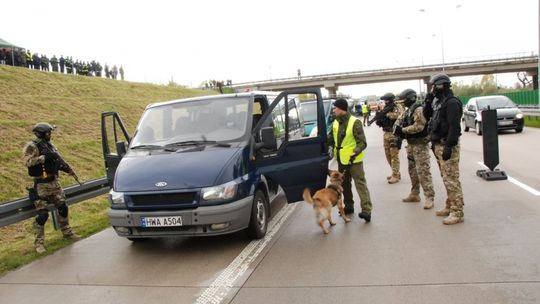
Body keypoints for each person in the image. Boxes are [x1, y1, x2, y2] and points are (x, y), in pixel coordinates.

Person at [22, 122, 80, 253]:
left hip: (54, 182)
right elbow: (27, 162)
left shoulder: (50, 146)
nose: (50, 135)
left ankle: (67, 233)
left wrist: (69, 170)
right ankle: (39, 244)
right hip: (41, 185)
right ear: (41, 134)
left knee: (63, 207)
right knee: (42, 215)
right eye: (48, 133)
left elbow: (58, 160)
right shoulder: (32, 146)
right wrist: (43, 158)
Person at [424, 73, 465, 225]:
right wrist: (428, 103)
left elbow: (454, 127)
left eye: (434, 86)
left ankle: (457, 211)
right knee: (445, 178)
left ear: (441, 85)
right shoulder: (438, 101)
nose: (432, 89)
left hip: (447, 145)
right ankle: (450, 206)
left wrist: (449, 146)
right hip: (438, 144)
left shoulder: (452, 102)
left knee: (451, 179)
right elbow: (428, 116)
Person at [328, 98, 373, 222]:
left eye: (334, 108)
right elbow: (330, 140)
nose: (333, 110)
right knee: (345, 185)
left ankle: (366, 211)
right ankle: (349, 206)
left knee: (360, 184)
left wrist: (356, 151)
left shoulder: (355, 122)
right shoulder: (335, 123)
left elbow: (362, 142)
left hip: (354, 160)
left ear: (341, 108)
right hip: (342, 160)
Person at [394, 89, 435, 209]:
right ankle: (415, 193)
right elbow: (399, 122)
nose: (402, 103)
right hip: (411, 144)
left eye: (404, 100)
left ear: (410, 98)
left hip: (420, 145)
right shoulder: (409, 111)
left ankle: (429, 197)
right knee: (412, 171)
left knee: (423, 172)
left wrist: (403, 130)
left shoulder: (419, 109)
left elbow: (419, 126)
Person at [374, 92, 402, 184]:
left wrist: (387, 115)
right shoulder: (385, 108)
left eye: (386, 100)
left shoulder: (396, 106)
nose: (385, 101)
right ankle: (395, 172)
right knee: (388, 155)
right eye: (384, 100)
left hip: (394, 133)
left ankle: (396, 175)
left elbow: (400, 115)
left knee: (394, 155)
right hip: (386, 133)